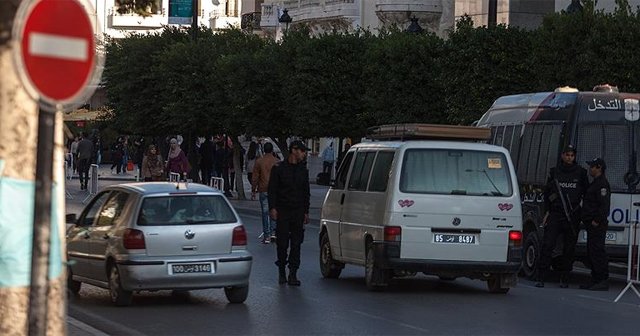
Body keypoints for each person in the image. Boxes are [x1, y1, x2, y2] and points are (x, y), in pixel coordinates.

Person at [535, 144, 588, 288]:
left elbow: (586, 193)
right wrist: (548, 210)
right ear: (562, 156)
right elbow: (547, 193)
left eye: (572, 155)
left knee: (569, 248)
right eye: (567, 155)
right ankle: (541, 277)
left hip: (573, 214)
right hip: (556, 213)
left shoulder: (581, 173)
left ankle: (564, 278)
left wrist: (581, 212)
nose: (569, 158)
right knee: (548, 245)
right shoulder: (554, 172)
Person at [268, 140, 310, 286]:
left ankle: (293, 273)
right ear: (294, 150)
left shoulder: (303, 170)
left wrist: (306, 211)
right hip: (283, 211)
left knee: (297, 243)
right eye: (303, 151)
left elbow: (306, 192)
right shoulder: (279, 168)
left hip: (297, 211)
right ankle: (281, 272)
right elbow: (272, 190)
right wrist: (272, 208)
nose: (304, 155)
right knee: (282, 243)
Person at [579, 158, 611, 291]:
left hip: (597, 225)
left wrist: (596, 220)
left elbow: (604, 206)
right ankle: (595, 278)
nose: (590, 169)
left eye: (592, 167)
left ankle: (602, 279)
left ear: (599, 168)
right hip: (591, 224)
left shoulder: (602, 184)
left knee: (597, 252)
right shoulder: (595, 183)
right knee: (592, 252)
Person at [252, 142, 279, 244]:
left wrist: (253, 190)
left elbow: (255, 177)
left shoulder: (259, 161)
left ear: (264, 150)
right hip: (275, 190)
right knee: (274, 210)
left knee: (265, 212)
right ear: (272, 150)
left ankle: (266, 235)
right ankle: (273, 232)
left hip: (263, 188)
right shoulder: (277, 161)